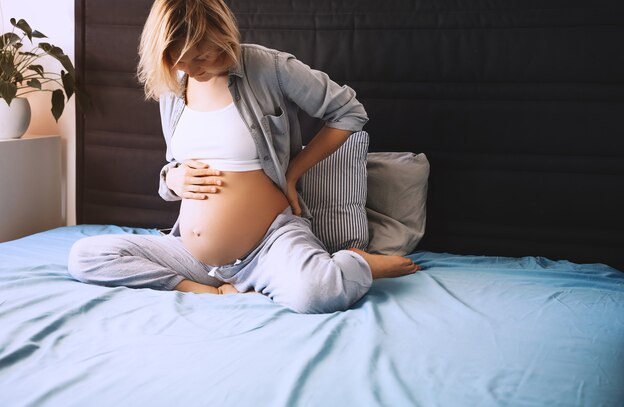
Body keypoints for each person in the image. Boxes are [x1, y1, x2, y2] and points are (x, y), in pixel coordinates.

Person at [68, 0, 419, 313]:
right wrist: (171, 178)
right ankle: (208, 292)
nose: (191, 70)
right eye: (180, 60)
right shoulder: (174, 87)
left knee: (318, 293)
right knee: (85, 257)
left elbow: (349, 112)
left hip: (269, 243)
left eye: (202, 57)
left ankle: (357, 263)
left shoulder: (269, 67)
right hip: (193, 257)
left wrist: (295, 171)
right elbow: (174, 165)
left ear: (221, 34)